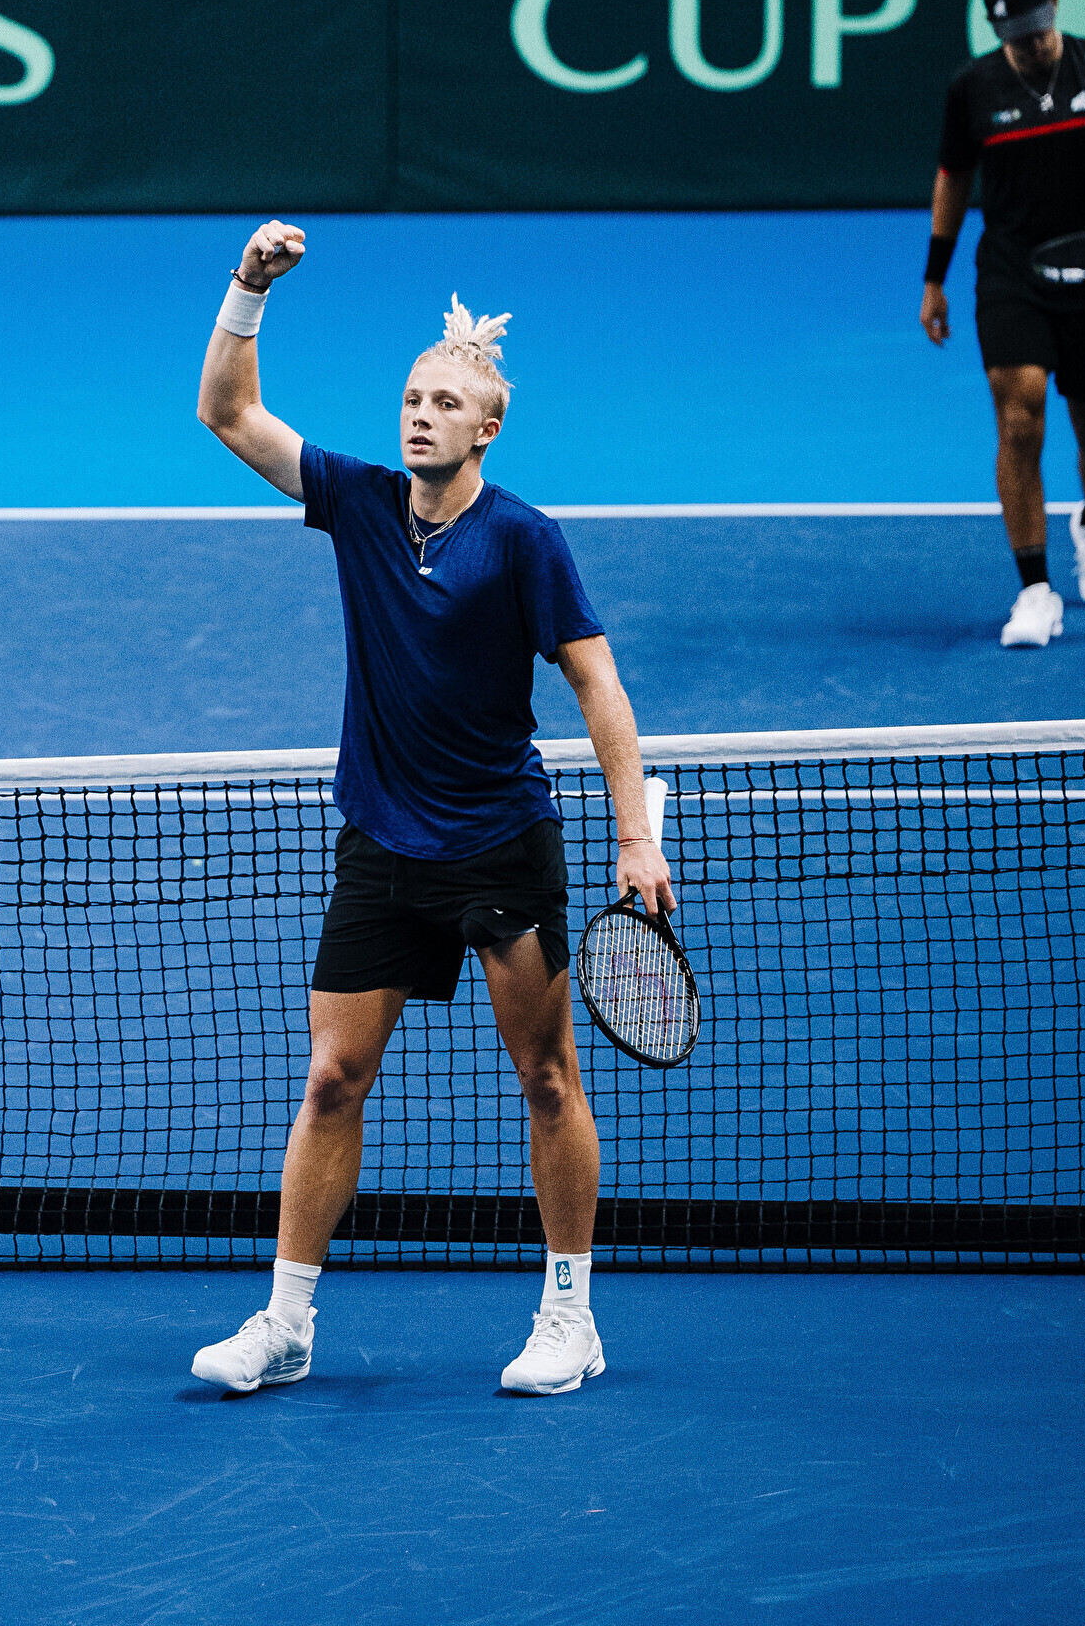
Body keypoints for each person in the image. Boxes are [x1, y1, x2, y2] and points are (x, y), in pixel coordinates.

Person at [187, 222, 672, 1400]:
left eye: (445, 402)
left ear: (486, 427)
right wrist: (248, 287)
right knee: (331, 1078)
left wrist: (635, 831)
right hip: (381, 843)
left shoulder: (524, 540)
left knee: (546, 1076)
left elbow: (598, 684)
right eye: (411, 397)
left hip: (501, 844)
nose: (420, 415)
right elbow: (228, 413)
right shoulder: (359, 502)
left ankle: (571, 1315)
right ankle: (286, 1321)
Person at [919, 0, 1085, 645]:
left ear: (1055, 6)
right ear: (995, 29)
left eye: (1038, 28)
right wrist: (934, 279)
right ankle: (1034, 590)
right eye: (1017, 36)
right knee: (1019, 416)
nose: (1032, 45)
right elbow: (953, 179)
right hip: (1012, 272)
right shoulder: (971, 89)